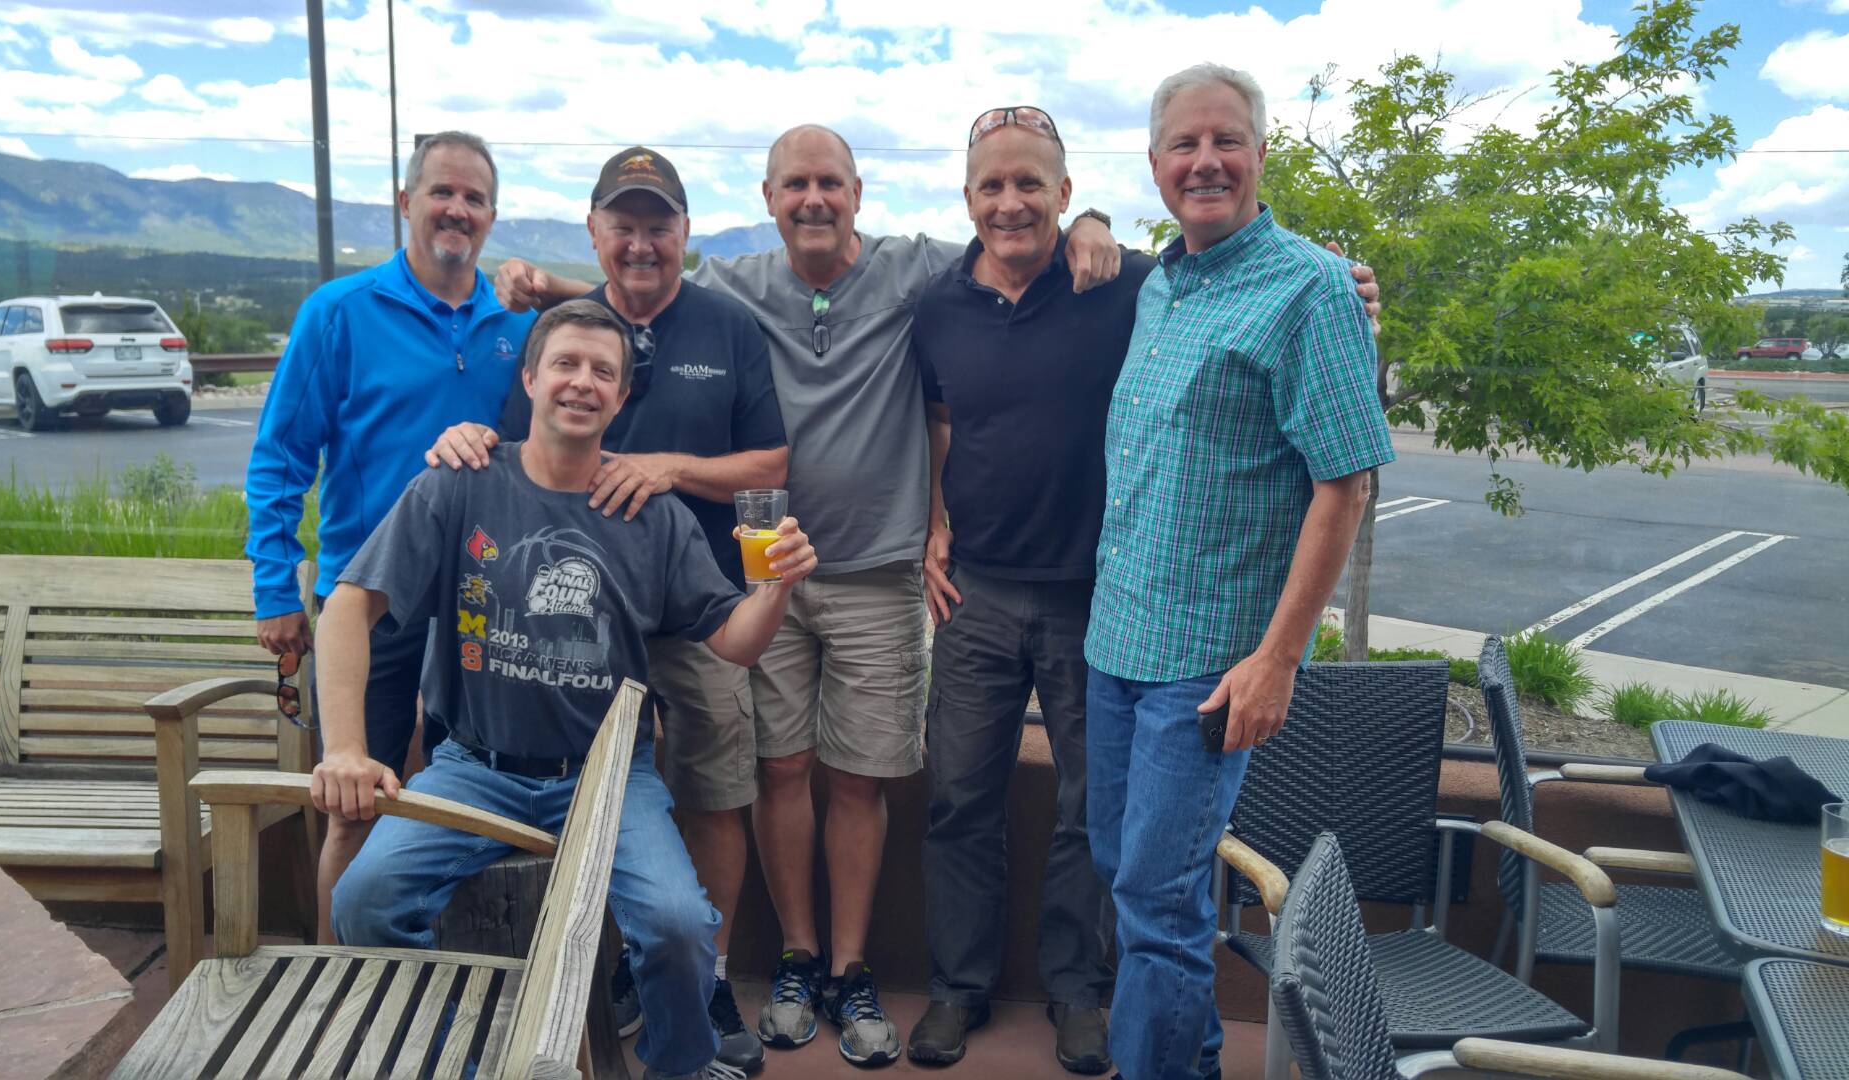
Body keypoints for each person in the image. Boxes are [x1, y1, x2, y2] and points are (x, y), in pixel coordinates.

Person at [492, 124, 1123, 1069]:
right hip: (766, 577)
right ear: (769, 198)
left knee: (860, 780)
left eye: (831, 182)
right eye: (795, 185)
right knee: (780, 771)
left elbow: (1014, 236)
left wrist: (1094, 223)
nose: (814, 199)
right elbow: (641, 279)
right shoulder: (737, 283)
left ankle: (851, 966)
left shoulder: (915, 270)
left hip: (879, 572)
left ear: (860, 193)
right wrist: (544, 285)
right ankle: (794, 958)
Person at [911, 106, 1380, 1075]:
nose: (1011, 202)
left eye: (1031, 184)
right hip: (986, 597)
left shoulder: (1122, 279)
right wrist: (931, 520)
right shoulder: (942, 302)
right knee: (961, 800)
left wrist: (1346, 286)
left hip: (1099, 603)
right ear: (967, 198)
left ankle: (1079, 992)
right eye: (993, 185)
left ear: (1066, 193)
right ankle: (959, 987)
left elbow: (1277, 310)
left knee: (1100, 829)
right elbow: (941, 419)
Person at [316, 299, 815, 1080]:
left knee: (680, 928)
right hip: (473, 769)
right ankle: (462, 1059)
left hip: (608, 777)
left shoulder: (651, 512)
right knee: (365, 902)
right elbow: (348, 608)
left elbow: (736, 641)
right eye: (566, 364)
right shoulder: (459, 484)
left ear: (621, 397)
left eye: (603, 372)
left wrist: (776, 586)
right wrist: (345, 747)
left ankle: (680, 1066)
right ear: (530, 379)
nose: (583, 382)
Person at [425, 145, 786, 1073]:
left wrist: (669, 470)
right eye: (623, 225)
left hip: (698, 595)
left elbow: (772, 465)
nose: (641, 243)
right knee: (612, 791)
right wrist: (464, 438)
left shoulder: (728, 326)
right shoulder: (568, 329)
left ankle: (701, 978)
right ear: (596, 232)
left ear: (684, 233)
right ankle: (626, 973)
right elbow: (511, 447)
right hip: (576, 608)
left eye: (658, 226)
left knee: (712, 793)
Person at [1084, 63, 1395, 1080]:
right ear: (1155, 164)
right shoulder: (1161, 283)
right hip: (1116, 642)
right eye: (1185, 144)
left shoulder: (1310, 288)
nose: (1206, 161)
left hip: (1209, 664)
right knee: (1126, 874)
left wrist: (1278, 660)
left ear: (1262, 154)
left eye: (1227, 140)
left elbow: (1344, 486)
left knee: (1156, 900)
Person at [244, 132, 584, 943]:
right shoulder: (339, 312)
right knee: (354, 807)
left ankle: (445, 977)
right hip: (372, 604)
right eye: (442, 192)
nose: (457, 210)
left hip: (486, 608)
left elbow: (628, 324)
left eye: (474, 198)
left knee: (457, 813)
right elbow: (280, 457)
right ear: (405, 202)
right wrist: (275, 587)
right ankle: (337, 985)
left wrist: (551, 286)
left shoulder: (518, 327)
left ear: (492, 216)